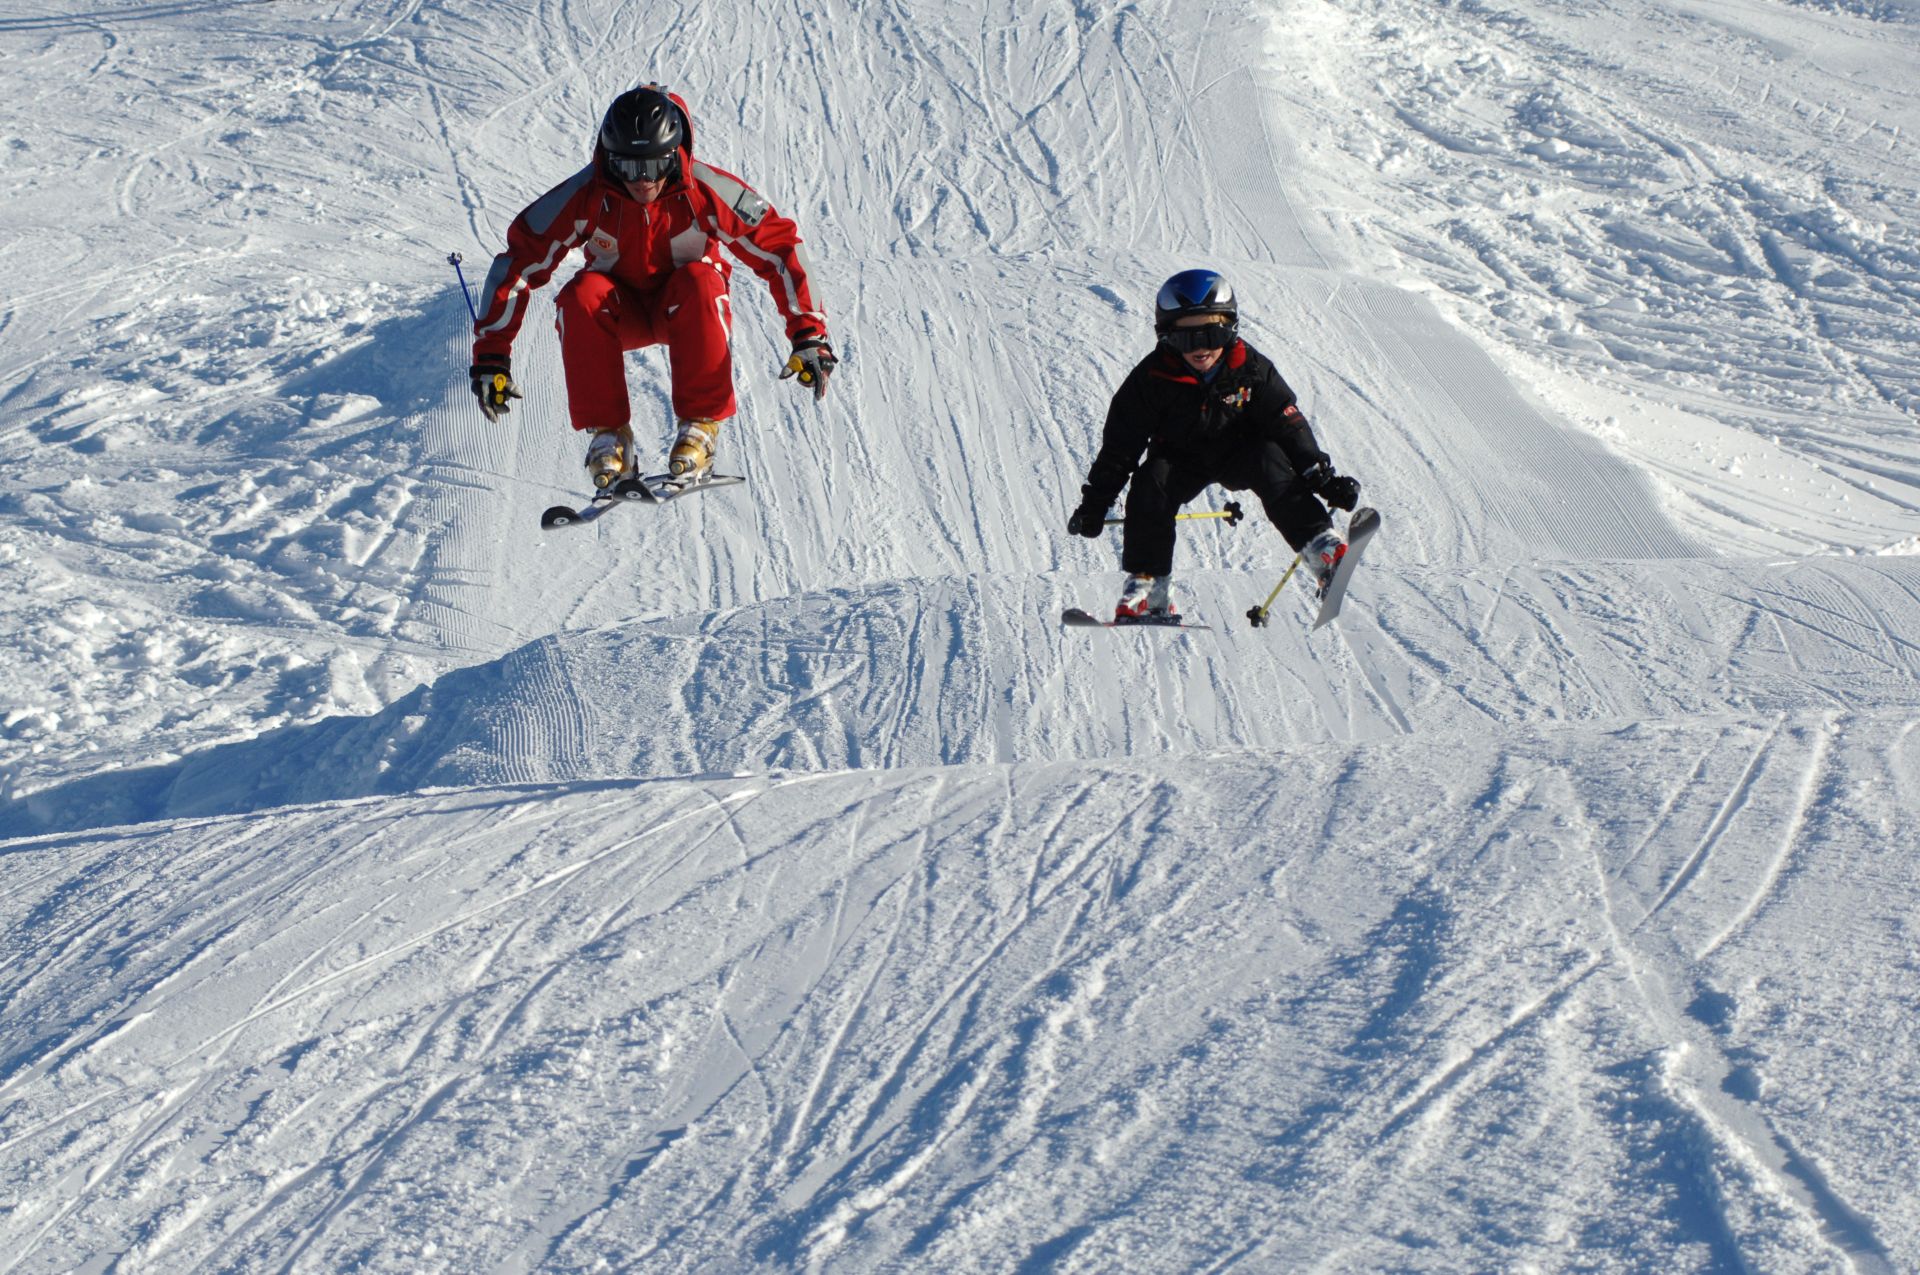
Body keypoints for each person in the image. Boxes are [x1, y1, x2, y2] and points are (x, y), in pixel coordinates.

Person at [466, 84, 834, 489]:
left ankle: (700, 427)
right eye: (627, 168)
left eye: (655, 166)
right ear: (608, 160)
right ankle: (609, 435)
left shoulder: (706, 190)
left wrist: (808, 334)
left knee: (701, 280)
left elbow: (779, 248)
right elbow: (518, 263)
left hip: (685, 311)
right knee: (581, 294)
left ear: (674, 155)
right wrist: (492, 357)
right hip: (619, 314)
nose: (642, 182)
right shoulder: (587, 194)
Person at [1067, 268, 1361, 622]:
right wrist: (1095, 503)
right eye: (1186, 338)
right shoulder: (1152, 379)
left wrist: (1321, 477)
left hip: (1241, 451)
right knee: (1151, 485)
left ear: (1230, 329)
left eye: (1212, 332)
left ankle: (1324, 552)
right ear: (1166, 337)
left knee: (1271, 460)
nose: (1201, 348)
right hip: (1179, 459)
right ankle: (1151, 589)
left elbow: (1287, 423)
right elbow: (1120, 446)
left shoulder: (1249, 367)